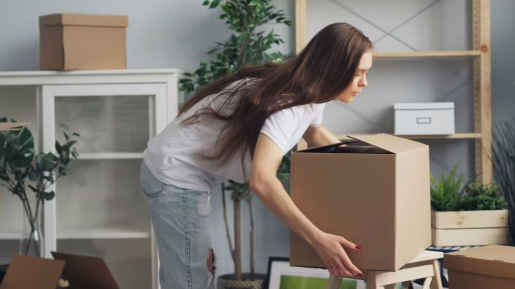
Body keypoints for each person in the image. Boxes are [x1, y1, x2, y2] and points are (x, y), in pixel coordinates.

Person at [141, 22, 373, 288]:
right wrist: (319, 239)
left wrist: (367, 169)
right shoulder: (286, 104)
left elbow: (316, 135)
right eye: (358, 73)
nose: (364, 82)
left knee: (193, 272)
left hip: (189, 174)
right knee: (191, 279)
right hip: (174, 173)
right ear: (333, 69)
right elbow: (262, 181)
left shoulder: (312, 96)